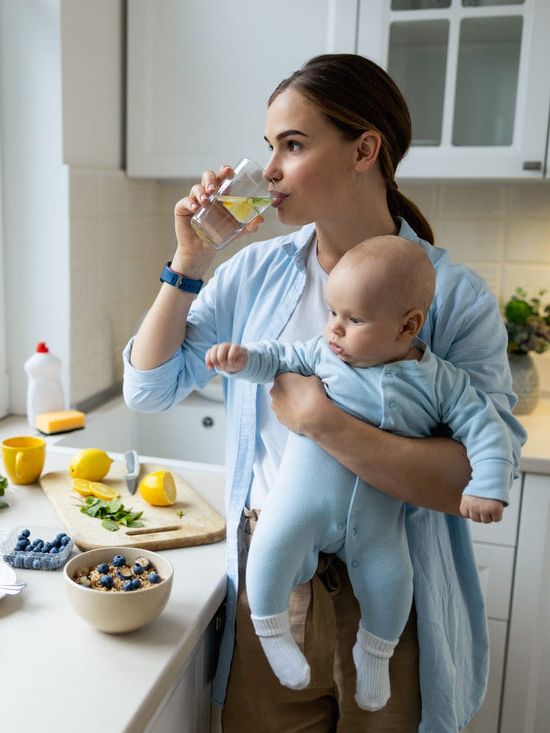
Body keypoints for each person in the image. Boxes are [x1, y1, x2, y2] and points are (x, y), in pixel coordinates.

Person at [123, 53, 526, 731]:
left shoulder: (449, 297)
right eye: (269, 147)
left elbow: (479, 473)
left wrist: (322, 421)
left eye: (294, 144)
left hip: (394, 593)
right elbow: (149, 386)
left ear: (364, 149)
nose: (270, 169)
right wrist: (189, 264)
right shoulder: (253, 273)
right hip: (274, 583)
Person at [204, 235, 513, 711]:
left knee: (393, 580)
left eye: (355, 319)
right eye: (332, 312)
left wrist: (487, 487)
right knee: (270, 549)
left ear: (407, 326)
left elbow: (487, 431)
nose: (335, 329)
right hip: (300, 507)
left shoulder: (440, 380)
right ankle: (272, 630)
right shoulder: (322, 353)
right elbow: (277, 357)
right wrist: (244, 360)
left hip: (376, 523)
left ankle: (375, 655)